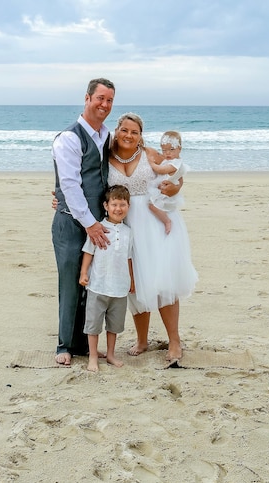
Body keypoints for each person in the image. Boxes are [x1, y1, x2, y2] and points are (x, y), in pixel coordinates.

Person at [107, 113, 198, 362]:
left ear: (141, 135)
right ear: (117, 131)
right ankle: (142, 339)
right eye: (124, 130)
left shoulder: (150, 154)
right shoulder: (105, 157)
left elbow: (174, 175)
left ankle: (175, 341)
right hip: (124, 225)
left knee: (162, 281)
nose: (128, 135)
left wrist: (177, 188)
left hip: (154, 223)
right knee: (134, 283)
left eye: (134, 132)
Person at [51, 78, 115, 366]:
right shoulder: (69, 138)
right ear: (87, 98)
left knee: (89, 284)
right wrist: (90, 223)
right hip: (70, 223)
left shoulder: (106, 136)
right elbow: (70, 185)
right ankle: (64, 346)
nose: (104, 105)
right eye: (100, 98)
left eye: (110, 100)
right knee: (70, 285)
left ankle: (80, 343)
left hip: (95, 223)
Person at [79, 185, 135, 372]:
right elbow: (89, 252)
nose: (118, 209)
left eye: (123, 204)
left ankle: (110, 354)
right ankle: (93, 356)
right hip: (98, 285)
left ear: (128, 206)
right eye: (114, 204)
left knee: (114, 325)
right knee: (93, 324)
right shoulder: (99, 228)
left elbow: (128, 258)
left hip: (119, 288)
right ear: (106, 206)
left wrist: (131, 281)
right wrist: (84, 273)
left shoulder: (128, 232)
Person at [147, 130, 188, 235]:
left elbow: (161, 170)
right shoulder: (169, 160)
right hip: (161, 187)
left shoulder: (175, 163)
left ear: (180, 149)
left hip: (164, 192)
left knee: (152, 206)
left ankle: (166, 221)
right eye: (164, 150)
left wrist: (151, 163)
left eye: (171, 149)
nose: (167, 153)